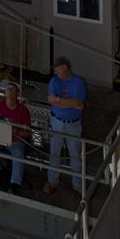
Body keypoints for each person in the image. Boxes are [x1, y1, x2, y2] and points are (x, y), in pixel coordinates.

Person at [44, 56, 87, 195]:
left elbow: (79, 104)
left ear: (65, 68)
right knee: (54, 153)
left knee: (75, 154)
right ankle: (52, 180)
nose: (56, 72)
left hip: (73, 124)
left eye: (57, 69)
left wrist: (59, 100)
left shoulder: (78, 82)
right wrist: (68, 102)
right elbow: (52, 101)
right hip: (56, 122)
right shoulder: (54, 81)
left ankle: (78, 184)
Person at [0, 81, 31, 193]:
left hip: (15, 140)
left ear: (17, 93)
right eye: (7, 88)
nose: (9, 91)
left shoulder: (23, 110)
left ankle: (14, 183)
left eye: (12, 89)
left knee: (18, 154)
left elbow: (27, 133)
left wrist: (15, 130)